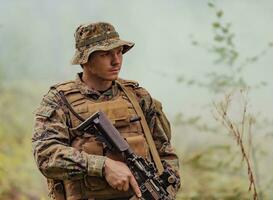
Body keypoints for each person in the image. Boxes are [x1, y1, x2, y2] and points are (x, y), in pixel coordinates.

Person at [32, 22, 180, 200]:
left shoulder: (138, 97)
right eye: (105, 54)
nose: (116, 61)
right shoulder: (59, 101)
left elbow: (165, 154)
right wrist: (103, 166)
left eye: (119, 52)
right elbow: (46, 156)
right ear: (85, 59)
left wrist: (166, 192)